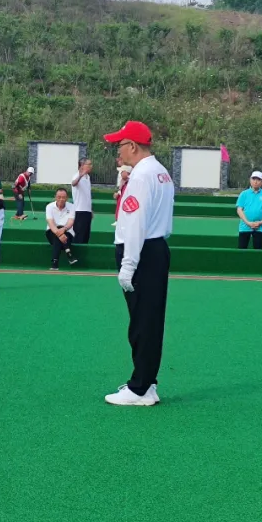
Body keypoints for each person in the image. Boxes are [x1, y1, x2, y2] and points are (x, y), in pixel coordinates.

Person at [101, 121, 174, 407]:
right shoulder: (160, 172)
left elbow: (135, 223)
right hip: (155, 249)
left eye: (119, 145)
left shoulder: (141, 177)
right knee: (150, 320)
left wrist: (128, 265)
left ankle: (139, 387)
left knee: (142, 322)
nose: (118, 152)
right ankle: (147, 383)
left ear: (132, 145)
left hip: (141, 252)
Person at [236, 171, 262, 249]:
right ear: (250, 180)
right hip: (244, 226)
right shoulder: (244, 194)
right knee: (242, 249)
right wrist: (248, 223)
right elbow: (239, 209)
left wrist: (261, 222)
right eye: (253, 179)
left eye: (258, 179)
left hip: (259, 227)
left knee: (258, 249)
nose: (255, 181)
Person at [45, 188, 80, 270]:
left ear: (67, 198)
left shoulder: (72, 206)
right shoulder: (49, 207)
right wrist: (60, 234)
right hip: (51, 232)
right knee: (57, 232)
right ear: (55, 197)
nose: (61, 199)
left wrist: (63, 229)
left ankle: (54, 263)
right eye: (59, 197)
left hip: (67, 233)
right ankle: (69, 254)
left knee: (59, 233)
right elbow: (51, 223)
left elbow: (70, 222)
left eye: (63, 197)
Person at [71, 158, 94, 243]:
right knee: (79, 235)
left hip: (87, 211)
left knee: (86, 235)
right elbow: (73, 183)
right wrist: (80, 176)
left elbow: (87, 195)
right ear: (82, 165)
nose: (91, 166)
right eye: (89, 164)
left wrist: (90, 210)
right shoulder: (77, 175)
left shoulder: (88, 177)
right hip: (79, 210)